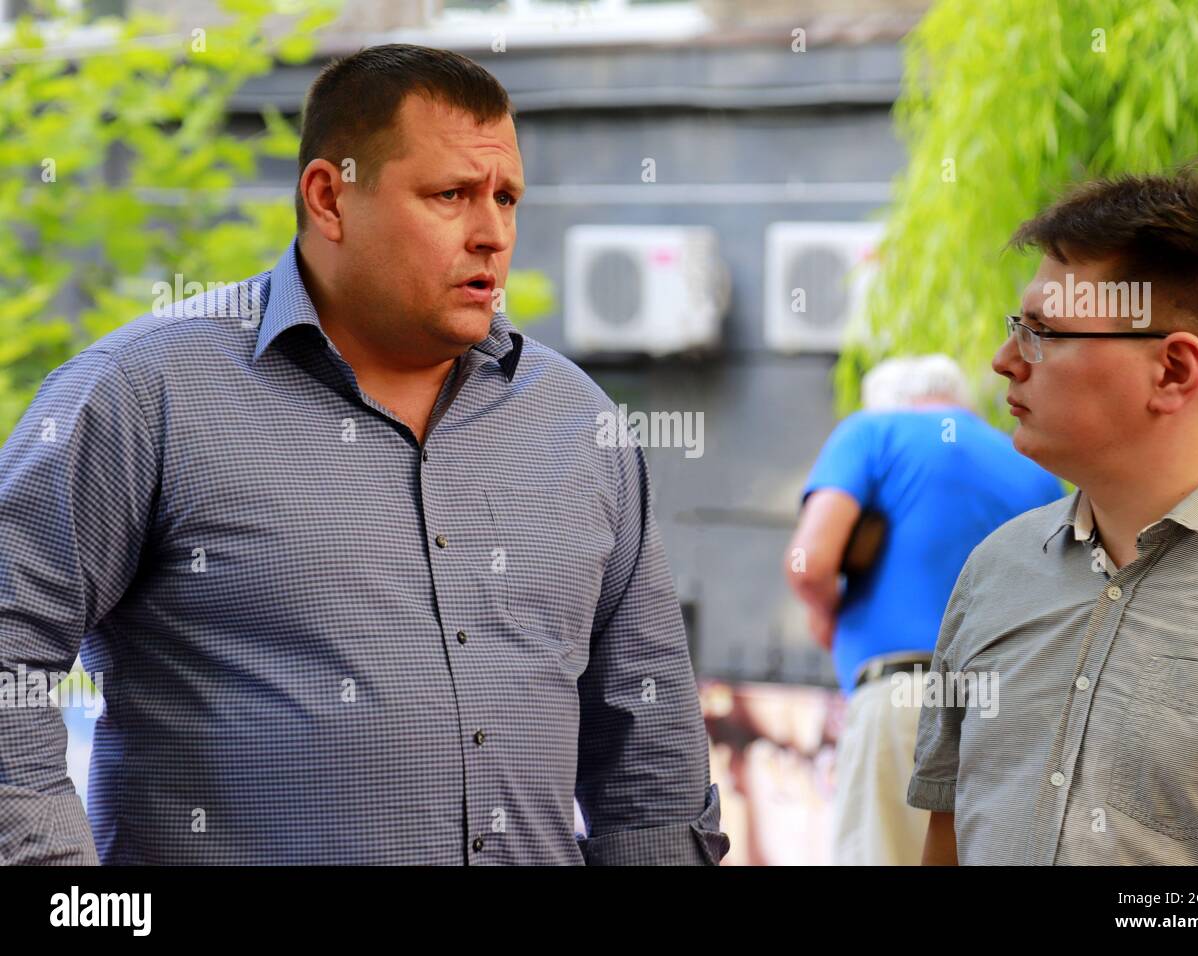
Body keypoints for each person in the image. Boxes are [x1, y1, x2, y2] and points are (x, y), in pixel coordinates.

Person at [0, 45, 727, 865]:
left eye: (507, 197)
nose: (491, 233)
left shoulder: (579, 426)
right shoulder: (147, 394)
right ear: (329, 197)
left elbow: (651, 764)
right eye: (450, 195)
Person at [909, 170, 1198, 865]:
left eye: (1044, 334)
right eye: (1015, 328)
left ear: (1175, 370)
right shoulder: (995, 569)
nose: (1003, 362)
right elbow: (949, 832)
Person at [785, 354, 1061, 864]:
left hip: (906, 698)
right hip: (1013, 712)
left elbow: (809, 563)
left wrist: (826, 618)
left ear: (892, 402)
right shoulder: (1037, 471)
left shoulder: (873, 431)